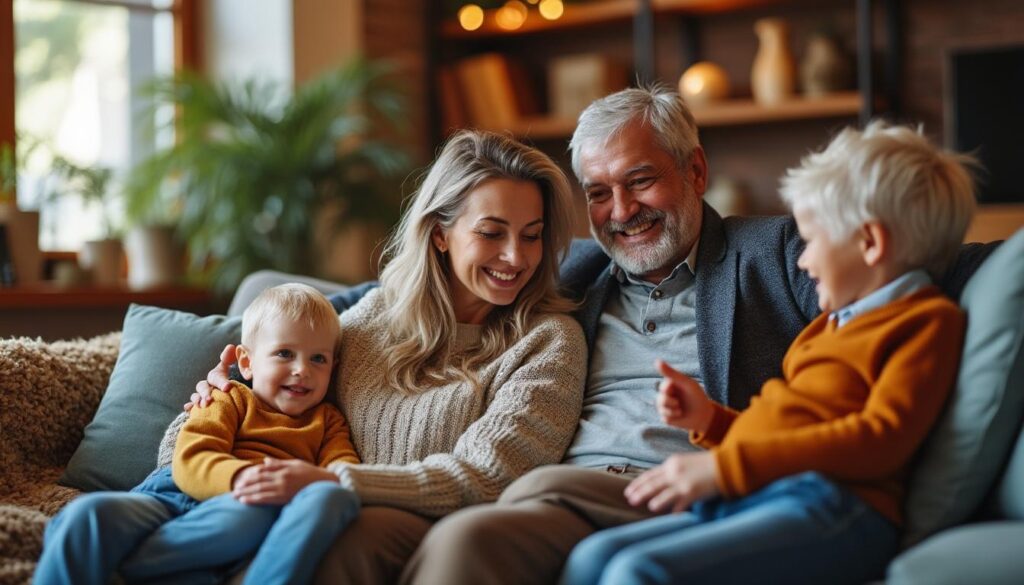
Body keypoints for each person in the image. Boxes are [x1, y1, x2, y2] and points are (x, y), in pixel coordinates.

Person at [399, 87, 996, 585]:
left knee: (472, 535)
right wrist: (314, 308)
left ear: (696, 171)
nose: (622, 210)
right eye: (599, 194)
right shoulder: (569, 271)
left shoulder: (779, 253)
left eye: (640, 181)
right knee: (451, 535)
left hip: (690, 489)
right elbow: (410, 288)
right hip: (582, 494)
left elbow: (907, 265)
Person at [559, 120, 976, 585]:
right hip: (770, 493)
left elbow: (880, 439)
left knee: (640, 571)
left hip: (838, 508)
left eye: (814, 241)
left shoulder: (923, 321)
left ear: (871, 244)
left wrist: (726, 467)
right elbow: (783, 430)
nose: (802, 259)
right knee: (593, 556)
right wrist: (710, 423)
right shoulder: (827, 328)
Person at [179, 129, 588, 583]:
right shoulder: (375, 316)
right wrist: (215, 402)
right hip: (303, 513)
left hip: (433, 532)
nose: (515, 257)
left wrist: (340, 484)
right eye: (492, 233)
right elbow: (269, 408)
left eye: (531, 236)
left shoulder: (549, 342)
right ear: (439, 235)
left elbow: (489, 476)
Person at [35, 283, 361, 585]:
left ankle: (122, 565)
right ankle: (94, 547)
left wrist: (292, 483)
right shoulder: (228, 397)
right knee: (88, 514)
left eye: (318, 358)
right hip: (171, 496)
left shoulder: (329, 421)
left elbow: (344, 473)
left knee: (252, 515)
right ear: (246, 363)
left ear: (333, 368)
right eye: (285, 354)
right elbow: (191, 458)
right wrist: (240, 477)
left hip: (247, 509)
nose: (302, 369)